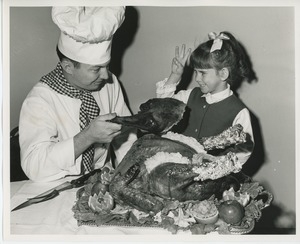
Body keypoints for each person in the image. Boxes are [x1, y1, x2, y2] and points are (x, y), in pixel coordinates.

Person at [19, 6, 137, 182]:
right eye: (96, 69)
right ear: (68, 67)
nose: (106, 76)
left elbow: (126, 136)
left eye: (107, 66)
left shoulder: (109, 83)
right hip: (58, 186)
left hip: (104, 180)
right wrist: (87, 137)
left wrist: (129, 174)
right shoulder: (40, 99)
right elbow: (34, 166)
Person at [156, 31, 254, 165]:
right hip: (178, 167)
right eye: (196, 71)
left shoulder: (238, 112)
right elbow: (162, 108)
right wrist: (175, 75)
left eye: (202, 73)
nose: (197, 78)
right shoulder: (190, 95)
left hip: (209, 176)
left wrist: (216, 162)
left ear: (223, 73)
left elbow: (244, 152)